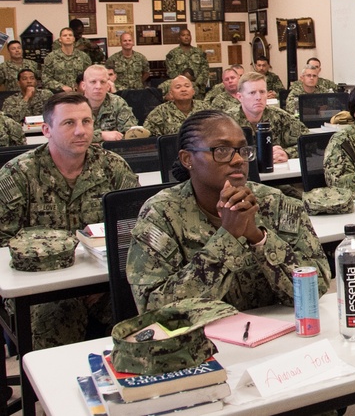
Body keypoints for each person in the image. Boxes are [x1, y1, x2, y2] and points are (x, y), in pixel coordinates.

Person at [126, 109, 330, 313]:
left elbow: (317, 285)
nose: (238, 160)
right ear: (187, 159)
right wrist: (228, 237)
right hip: (201, 340)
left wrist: (258, 238)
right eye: (222, 150)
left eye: (242, 150)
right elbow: (152, 308)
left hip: (275, 334)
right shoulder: (160, 213)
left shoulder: (275, 203)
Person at [0, 93, 138, 349]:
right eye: (68, 123)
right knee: (54, 324)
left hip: (104, 281)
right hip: (39, 289)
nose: (80, 131)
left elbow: (135, 228)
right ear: (46, 130)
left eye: (86, 121)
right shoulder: (18, 174)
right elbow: (3, 241)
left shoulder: (114, 167)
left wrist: (105, 281)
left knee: (143, 319)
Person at [228, 72, 308, 161]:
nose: (258, 97)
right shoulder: (227, 121)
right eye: (252, 93)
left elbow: (310, 141)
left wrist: (287, 153)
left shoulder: (279, 116)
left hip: (276, 171)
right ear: (240, 97)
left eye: (262, 92)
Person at [81, 64, 137, 142]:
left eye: (102, 82)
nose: (98, 86)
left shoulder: (117, 102)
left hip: (113, 151)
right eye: (93, 82)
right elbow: (69, 136)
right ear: (83, 86)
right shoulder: (73, 106)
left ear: (108, 86)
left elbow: (131, 133)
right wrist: (101, 135)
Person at [143, 75, 210, 136]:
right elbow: (146, 136)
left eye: (187, 86)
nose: (183, 90)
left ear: (193, 91)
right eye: (178, 87)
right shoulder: (160, 112)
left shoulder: (205, 108)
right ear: (171, 94)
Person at [42, 27, 91, 93]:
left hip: (79, 94)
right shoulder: (51, 57)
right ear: (60, 39)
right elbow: (46, 79)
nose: (68, 37)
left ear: (73, 39)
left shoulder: (84, 57)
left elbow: (89, 76)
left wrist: (81, 86)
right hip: (59, 94)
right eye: (65, 35)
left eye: (70, 35)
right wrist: (61, 86)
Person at [165, 28, 209, 98]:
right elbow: (171, 72)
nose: (186, 37)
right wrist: (184, 81)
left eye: (188, 35)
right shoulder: (172, 54)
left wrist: (195, 84)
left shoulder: (200, 53)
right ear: (179, 38)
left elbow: (205, 71)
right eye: (183, 35)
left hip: (198, 90)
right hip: (180, 90)